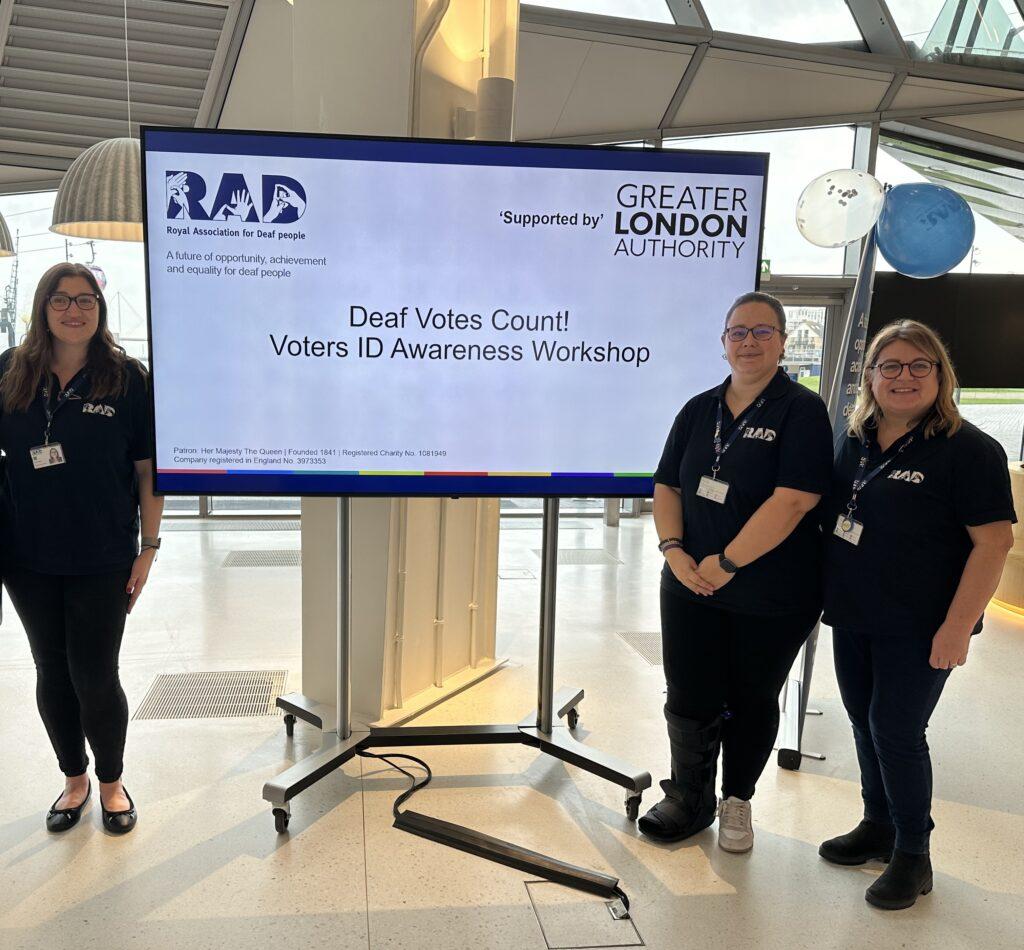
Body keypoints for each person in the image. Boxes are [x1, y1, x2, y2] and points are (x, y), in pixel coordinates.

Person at [818, 319, 1015, 910]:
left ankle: (913, 854)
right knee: (861, 719)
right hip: (855, 613)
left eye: (918, 366)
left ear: (940, 375)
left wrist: (958, 628)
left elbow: (994, 543)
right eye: (891, 366)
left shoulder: (970, 449)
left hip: (924, 623)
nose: (904, 377)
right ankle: (877, 825)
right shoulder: (854, 438)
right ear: (870, 377)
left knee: (897, 731)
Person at [641, 291, 833, 852]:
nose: (749, 342)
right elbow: (668, 485)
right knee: (689, 691)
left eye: (762, 332)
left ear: (781, 342)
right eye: (738, 332)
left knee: (752, 697)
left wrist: (727, 562)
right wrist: (674, 552)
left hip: (771, 591)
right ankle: (689, 797)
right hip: (689, 583)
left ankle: (736, 801)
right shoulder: (699, 409)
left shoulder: (801, 410)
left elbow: (795, 499)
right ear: (723, 344)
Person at [0, 262, 163, 835]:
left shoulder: (126, 378)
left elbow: (149, 471)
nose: (74, 310)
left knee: (94, 672)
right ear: (43, 309)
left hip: (101, 554)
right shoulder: (10, 373)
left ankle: (112, 782)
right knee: (51, 669)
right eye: (62, 300)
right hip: (25, 555)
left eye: (86, 299)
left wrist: (148, 548)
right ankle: (75, 780)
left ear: (100, 308)